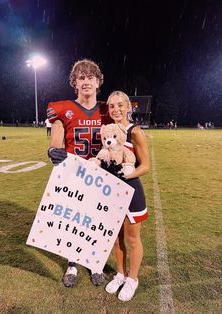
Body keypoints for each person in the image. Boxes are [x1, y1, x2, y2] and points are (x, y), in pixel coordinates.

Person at [46, 58, 111, 288]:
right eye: (81, 78)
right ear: (75, 82)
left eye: (90, 77)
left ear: (98, 81)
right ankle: (72, 263)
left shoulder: (106, 109)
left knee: (97, 220)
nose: (86, 82)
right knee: (74, 220)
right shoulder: (64, 109)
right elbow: (57, 132)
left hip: (103, 175)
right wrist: (54, 149)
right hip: (74, 174)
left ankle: (94, 261)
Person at [104, 91, 150, 302]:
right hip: (112, 193)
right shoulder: (108, 131)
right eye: (112, 106)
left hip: (131, 192)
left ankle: (132, 279)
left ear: (128, 107)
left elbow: (146, 166)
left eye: (120, 105)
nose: (116, 109)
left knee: (132, 239)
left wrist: (129, 173)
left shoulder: (135, 132)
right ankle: (120, 274)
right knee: (115, 238)